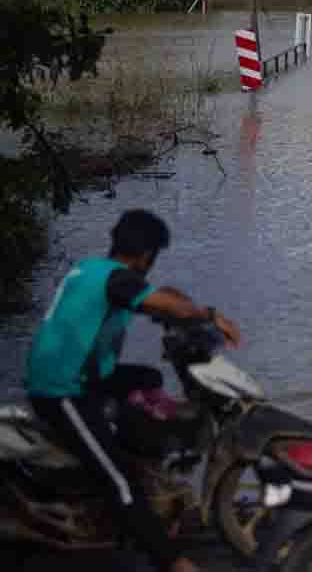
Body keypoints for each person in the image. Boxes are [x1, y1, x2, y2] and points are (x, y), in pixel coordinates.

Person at [25, 209, 240, 572]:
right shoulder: (116, 281)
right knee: (120, 480)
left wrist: (181, 310)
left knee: (148, 380)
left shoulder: (98, 271)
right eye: (155, 255)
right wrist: (209, 314)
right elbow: (158, 300)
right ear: (146, 255)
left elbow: (161, 296)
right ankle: (173, 562)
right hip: (61, 389)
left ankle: (141, 465)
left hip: (86, 376)